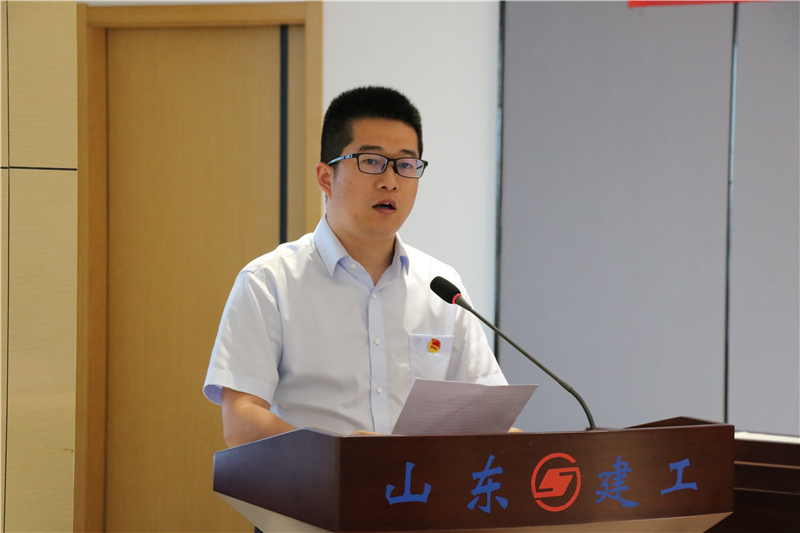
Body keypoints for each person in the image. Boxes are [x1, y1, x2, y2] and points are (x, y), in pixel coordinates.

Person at [203, 86, 507, 446]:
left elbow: (487, 416)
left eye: (406, 165)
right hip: (313, 483)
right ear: (325, 177)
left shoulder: (442, 287)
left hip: (420, 484)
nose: (390, 182)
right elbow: (241, 421)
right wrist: (340, 453)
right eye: (371, 162)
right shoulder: (269, 282)